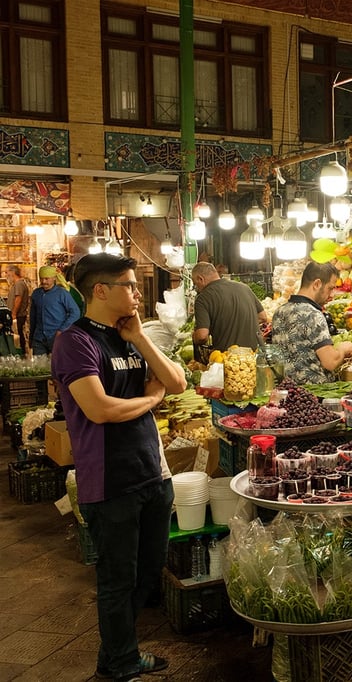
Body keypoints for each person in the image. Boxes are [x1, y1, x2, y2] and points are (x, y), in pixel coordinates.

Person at [50, 254, 187, 682]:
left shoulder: (128, 334)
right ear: (100, 290)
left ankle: (118, 656)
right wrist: (150, 400)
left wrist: (142, 339)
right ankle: (121, 663)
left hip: (152, 473)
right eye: (128, 285)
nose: (136, 293)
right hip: (110, 482)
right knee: (116, 580)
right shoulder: (75, 342)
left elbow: (178, 383)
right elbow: (101, 408)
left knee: (148, 571)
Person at [272, 261, 352, 384]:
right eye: (330, 288)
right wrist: (343, 349)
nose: (332, 294)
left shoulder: (279, 311)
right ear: (317, 284)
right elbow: (330, 362)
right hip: (315, 393)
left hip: (290, 392)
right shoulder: (313, 314)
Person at [191, 261, 267, 352]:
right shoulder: (244, 287)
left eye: (195, 283)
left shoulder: (203, 298)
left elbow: (202, 336)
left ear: (200, 279)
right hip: (256, 354)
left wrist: (194, 336)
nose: (197, 288)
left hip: (230, 359)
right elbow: (263, 317)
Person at [27, 264, 80, 357]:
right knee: (39, 368)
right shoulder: (36, 293)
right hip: (39, 339)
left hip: (56, 337)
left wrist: (62, 330)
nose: (43, 282)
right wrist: (31, 337)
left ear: (54, 278)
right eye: (42, 278)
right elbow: (33, 317)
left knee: (58, 366)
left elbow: (75, 312)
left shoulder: (62, 293)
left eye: (47, 279)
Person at [7, 265, 30, 349]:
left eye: (8, 273)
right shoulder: (17, 284)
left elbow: (18, 299)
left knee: (17, 336)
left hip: (18, 316)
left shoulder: (19, 284)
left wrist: (13, 314)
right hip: (17, 315)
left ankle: (20, 352)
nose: (6, 275)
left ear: (13, 272)